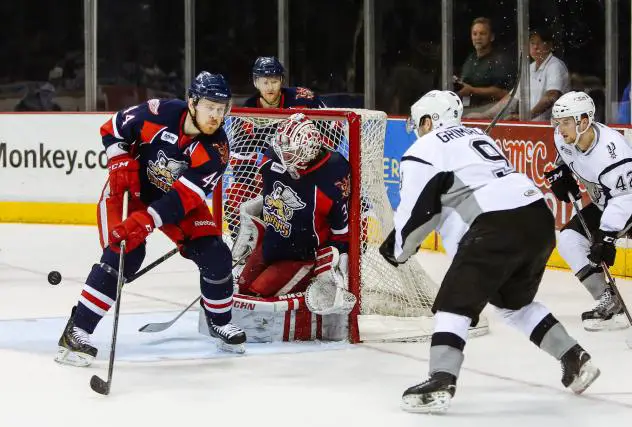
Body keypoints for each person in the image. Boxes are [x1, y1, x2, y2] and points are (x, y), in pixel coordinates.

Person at [380, 90, 600, 413]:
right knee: (514, 304)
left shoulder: (422, 149)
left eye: (420, 124)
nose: (419, 131)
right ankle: (574, 358)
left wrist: (397, 249)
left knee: (453, 300)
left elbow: (416, 214)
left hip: (494, 226)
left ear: (429, 121)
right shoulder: (476, 137)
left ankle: (441, 378)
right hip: (537, 217)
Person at [54, 72, 247, 367]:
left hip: (174, 202)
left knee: (216, 255)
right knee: (124, 255)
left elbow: (181, 200)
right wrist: (119, 161)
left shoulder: (216, 150)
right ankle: (77, 329)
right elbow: (113, 127)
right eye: (210, 106)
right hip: (130, 192)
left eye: (222, 109)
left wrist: (146, 221)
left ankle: (219, 321)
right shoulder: (160, 112)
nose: (216, 115)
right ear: (192, 102)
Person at [231, 113, 354, 314]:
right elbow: (267, 196)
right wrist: (251, 219)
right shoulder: (273, 158)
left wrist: (338, 265)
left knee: (256, 298)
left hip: (300, 257)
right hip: (270, 246)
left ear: (307, 151)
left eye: (288, 151)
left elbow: (340, 229)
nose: (280, 154)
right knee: (241, 289)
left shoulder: (331, 174)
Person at [544, 91, 631, 331]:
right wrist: (561, 174)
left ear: (584, 121)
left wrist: (607, 235)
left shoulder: (613, 152)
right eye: (558, 122)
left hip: (626, 202)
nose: (560, 129)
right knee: (570, 240)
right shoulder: (564, 139)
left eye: (566, 122)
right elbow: (566, 158)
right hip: (606, 203)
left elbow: (625, 198)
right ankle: (609, 300)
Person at [226, 57, 327, 239]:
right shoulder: (247, 113)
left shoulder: (303, 99)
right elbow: (242, 165)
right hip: (275, 173)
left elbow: (332, 132)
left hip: (307, 169)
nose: (270, 87)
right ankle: (244, 251)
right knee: (236, 196)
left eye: (274, 81)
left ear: (281, 81)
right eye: (265, 82)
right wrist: (262, 190)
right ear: (256, 82)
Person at [468, 27, 570, 121]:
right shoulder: (529, 68)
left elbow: (551, 97)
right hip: (533, 128)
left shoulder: (555, 66)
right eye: (532, 43)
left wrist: (526, 117)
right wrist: (485, 116)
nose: (535, 47)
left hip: (552, 129)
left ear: (550, 46)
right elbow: (512, 99)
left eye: (540, 43)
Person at [454, 17, 514, 115]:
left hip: (489, 112)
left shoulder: (499, 60)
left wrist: (472, 90)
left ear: (492, 37)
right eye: (475, 34)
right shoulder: (470, 58)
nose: (478, 37)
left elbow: (505, 93)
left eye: (482, 33)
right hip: (467, 110)